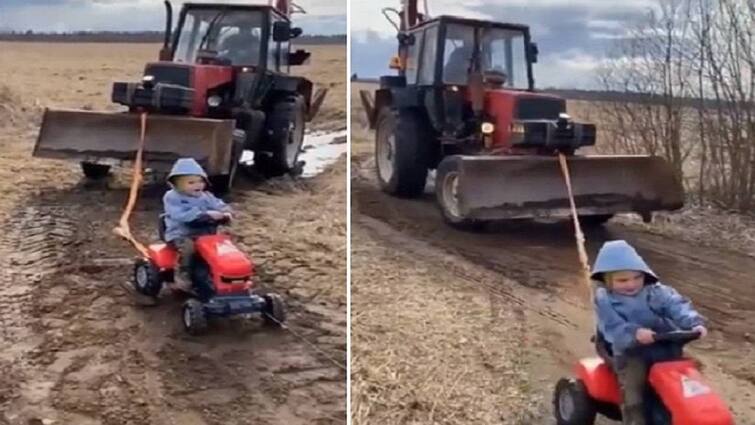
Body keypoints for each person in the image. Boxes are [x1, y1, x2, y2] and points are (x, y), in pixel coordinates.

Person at [592, 240, 707, 425]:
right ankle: (635, 420)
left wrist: (694, 323)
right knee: (633, 391)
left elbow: (676, 304)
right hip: (631, 351)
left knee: (691, 377)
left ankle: (698, 413)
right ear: (607, 281)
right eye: (623, 280)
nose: (631, 284)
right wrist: (634, 333)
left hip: (663, 343)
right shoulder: (605, 300)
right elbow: (612, 327)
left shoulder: (655, 291)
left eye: (637, 277)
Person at [163, 158, 232, 293]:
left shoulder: (206, 196)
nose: (198, 185)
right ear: (177, 184)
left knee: (225, 245)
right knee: (189, 249)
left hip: (206, 236)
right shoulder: (172, 197)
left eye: (201, 181)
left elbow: (219, 204)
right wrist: (204, 214)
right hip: (181, 234)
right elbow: (179, 215)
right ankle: (183, 277)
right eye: (191, 182)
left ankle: (226, 276)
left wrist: (226, 212)